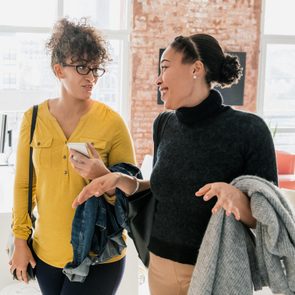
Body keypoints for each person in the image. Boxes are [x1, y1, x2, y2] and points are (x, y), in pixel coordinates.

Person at [72, 34, 278, 295]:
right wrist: (117, 179)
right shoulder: (165, 124)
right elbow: (164, 189)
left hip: (216, 271)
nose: (158, 78)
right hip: (159, 267)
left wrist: (237, 199)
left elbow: (270, 219)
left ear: (196, 69)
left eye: (165, 67)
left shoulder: (250, 130)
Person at [9, 17, 136, 295]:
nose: (90, 77)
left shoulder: (112, 123)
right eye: (81, 68)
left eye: (95, 69)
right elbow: (23, 185)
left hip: (98, 254)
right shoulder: (33, 119)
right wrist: (20, 240)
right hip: (47, 254)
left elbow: (132, 194)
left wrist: (102, 175)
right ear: (59, 70)